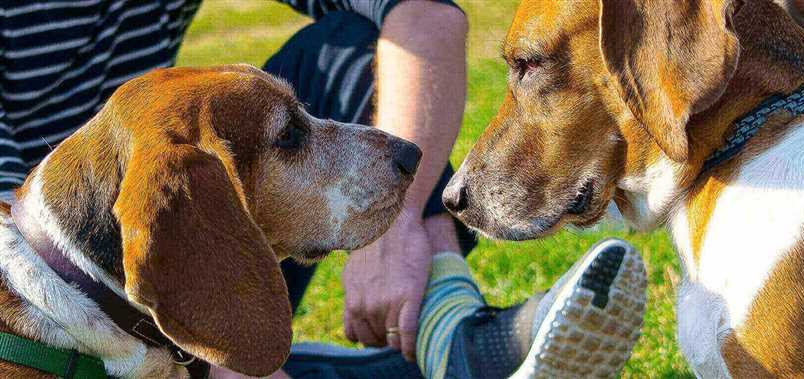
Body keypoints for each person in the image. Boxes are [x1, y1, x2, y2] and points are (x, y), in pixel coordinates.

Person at [0, 1, 647, 378]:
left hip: (170, 199)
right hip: (93, 232)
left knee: (360, 47)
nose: (397, 159)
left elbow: (422, 11)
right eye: (294, 137)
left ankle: (446, 329)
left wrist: (393, 231)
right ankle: (445, 353)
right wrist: (204, 329)